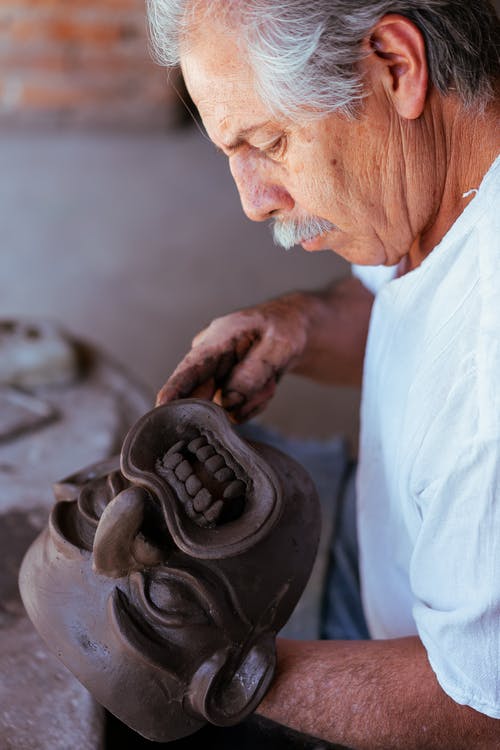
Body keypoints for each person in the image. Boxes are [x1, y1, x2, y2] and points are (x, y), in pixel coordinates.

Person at [148, 1, 500, 747]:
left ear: (395, 67)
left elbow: (477, 707)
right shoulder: (446, 163)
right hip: (392, 560)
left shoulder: (489, 388)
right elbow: (407, 306)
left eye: (269, 141)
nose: (253, 201)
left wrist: (218, 664)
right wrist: (298, 323)